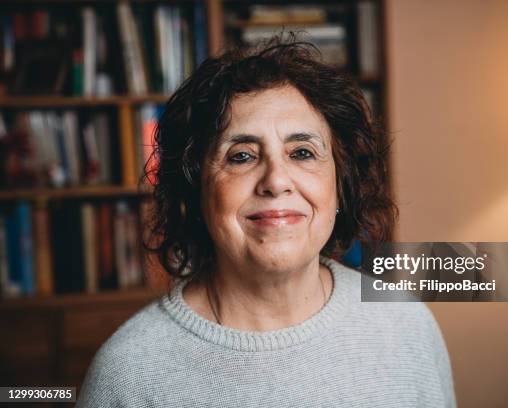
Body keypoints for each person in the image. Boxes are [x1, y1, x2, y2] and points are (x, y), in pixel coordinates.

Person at [76, 37, 456, 407]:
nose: (276, 180)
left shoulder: (408, 324)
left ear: (341, 185)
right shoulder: (128, 374)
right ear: (195, 191)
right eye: (241, 156)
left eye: (302, 152)